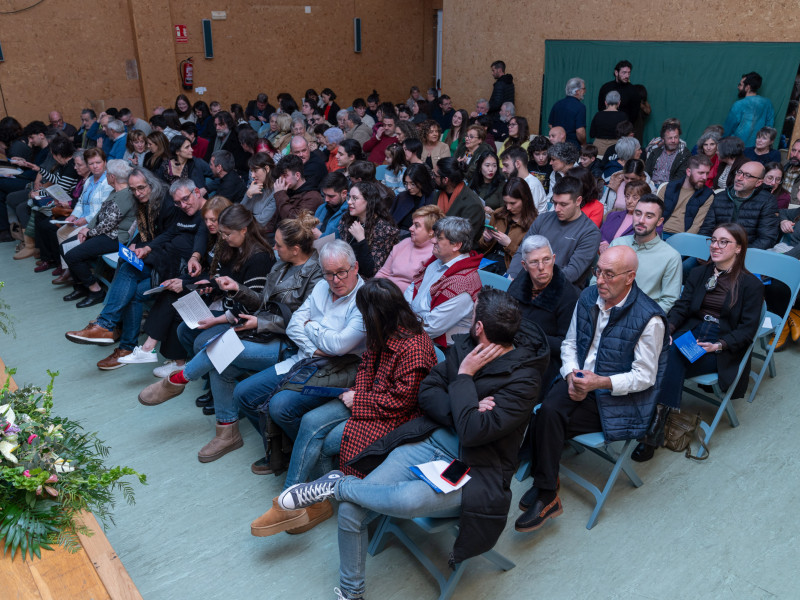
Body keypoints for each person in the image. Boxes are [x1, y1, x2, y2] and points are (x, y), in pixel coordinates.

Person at [277, 288, 547, 600]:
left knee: (405, 501)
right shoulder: (468, 346)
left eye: (472, 316)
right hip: (427, 440)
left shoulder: (524, 379)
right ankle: (352, 593)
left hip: (472, 466)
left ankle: (337, 486)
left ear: (479, 327)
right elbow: (428, 391)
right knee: (351, 511)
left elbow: (473, 434)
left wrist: (462, 378)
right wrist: (466, 409)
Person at [250, 277, 438, 536]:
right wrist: (358, 392)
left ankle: (307, 502)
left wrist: (359, 400)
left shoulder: (415, 347)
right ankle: (295, 499)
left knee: (327, 444)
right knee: (309, 422)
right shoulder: (382, 329)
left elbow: (403, 402)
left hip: (395, 416)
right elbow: (365, 367)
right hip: (369, 399)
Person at [516, 245, 667, 531]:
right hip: (583, 379)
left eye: (609, 274)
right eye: (598, 271)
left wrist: (600, 382)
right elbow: (571, 344)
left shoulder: (650, 319)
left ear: (630, 277)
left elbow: (645, 377)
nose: (599, 280)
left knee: (549, 419)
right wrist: (572, 375)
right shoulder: (588, 296)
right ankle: (548, 488)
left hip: (618, 396)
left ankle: (546, 490)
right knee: (546, 410)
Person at [631, 224, 763, 462]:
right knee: (660, 351)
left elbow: (747, 331)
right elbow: (682, 307)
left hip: (720, 344)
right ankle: (653, 426)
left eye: (724, 242)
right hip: (692, 331)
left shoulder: (750, 285)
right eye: (713, 240)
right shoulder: (699, 273)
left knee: (668, 357)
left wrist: (719, 345)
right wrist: (667, 329)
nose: (715, 245)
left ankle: (651, 429)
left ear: (739, 249)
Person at [62, 160, 136, 307]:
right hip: (105, 234)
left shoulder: (125, 195)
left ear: (112, 177)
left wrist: (89, 233)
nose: (105, 176)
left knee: (72, 255)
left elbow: (108, 224)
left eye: (107, 174)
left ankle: (96, 291)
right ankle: (80, 286)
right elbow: (99, 214)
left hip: (116, 238)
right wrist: (87, 228)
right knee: (65, 247)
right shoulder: (115, 191)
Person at [508, 235, 579, 387]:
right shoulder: (522, 280)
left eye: (546, 259)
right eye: (534, 262)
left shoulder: (568, 295)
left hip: (543, 360)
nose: (541, 267)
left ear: (554, 259)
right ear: (524, 265)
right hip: (510, 348)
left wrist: (527, 334)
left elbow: (565, 345)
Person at [508, 176, 601, 287]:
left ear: (578, 201)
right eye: (555, 202)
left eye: (563, 204)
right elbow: (522, 252)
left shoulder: (590, 232)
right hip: (529, 281)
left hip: (562, 288)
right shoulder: (543, 219)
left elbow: (572, 273)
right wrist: (511, 276)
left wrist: (534, 282)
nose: (556, 208)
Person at [405, 216, 482, 347]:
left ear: (456, 245)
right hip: (413, 326)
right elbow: (411, 291)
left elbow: (431, 328)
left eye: (439, 238)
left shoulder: (463, 284)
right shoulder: (436, 261)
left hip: (438, 346)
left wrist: (400, 324)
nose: (433, 241)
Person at [608, 195, 682, 313]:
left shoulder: (671, 257)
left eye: (649, 216)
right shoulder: (618, 243)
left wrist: (643, 318)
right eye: (637, 214)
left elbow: (669, 301)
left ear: (659, 221)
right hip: (608, 309)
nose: (641, 220)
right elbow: (597, 280)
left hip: (643, 318)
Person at [699, 161, 779, 249]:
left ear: (758, 183)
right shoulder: (720, 197)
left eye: (747, 175)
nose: (739, 178)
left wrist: (738, 254)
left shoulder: (767, 201)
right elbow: (706, 229)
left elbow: (767, 239)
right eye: (739, 172)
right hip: (714, 249)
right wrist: (705, 250)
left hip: (746, 255)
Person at [338, 182, 399, 278]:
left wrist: (361, 240)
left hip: (368, 282)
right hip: (346, 273)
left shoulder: (385, 230)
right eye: (349, 197)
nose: (349, 202)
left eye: (355, 198)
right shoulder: (347, 219)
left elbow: (372, 272)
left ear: (369, 201)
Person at [376, 204, 442, 290]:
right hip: (383, 292)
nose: (410, 228)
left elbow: (422, 290)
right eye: (412, 224)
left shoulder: (435, 254)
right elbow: (383, 273)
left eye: (417, 225)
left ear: (431, 231)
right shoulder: (404, 243)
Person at [480, 177, 538, 273]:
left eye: (513, 203)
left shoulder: (534, 223)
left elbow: (531, 259)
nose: (508, 207)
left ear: (525, 199)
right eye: (505, 202)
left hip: (510, 266)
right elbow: (483, 246)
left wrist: (509, 244)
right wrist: (487, 240)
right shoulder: (499, 214)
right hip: (488, 260)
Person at [264, 154, 323, 235]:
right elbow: (275, 219)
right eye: (280, 177)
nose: (282, 180)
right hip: (278, 235)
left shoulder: (313, 196)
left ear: (297, 175)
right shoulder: (288, 190)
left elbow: (294, 223)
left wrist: (280, 194)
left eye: (285, 176)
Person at [431, 157, 485, 244]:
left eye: (435, 175)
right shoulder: (438, 194)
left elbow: (463, 239)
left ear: (445, 180)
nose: (432, 177)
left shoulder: (472, 205)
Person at [658, 154, 715, 236]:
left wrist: (683, 239)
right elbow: (655, 214)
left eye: (707, 173)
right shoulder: (668, 188)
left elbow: (697, 226)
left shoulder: (707, 195)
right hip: (660, 233)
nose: (705, 177)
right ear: (688, 172)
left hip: (683, 237)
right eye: (701, 173)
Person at [723, 72, 775, 147]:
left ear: (747, 87)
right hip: (759, 149)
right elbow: (769, 128)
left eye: (740, 85)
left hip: (737, 149)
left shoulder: (739, 104)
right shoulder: (768, 103)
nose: (738, 87)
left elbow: (728, 129)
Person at [600, 180, 651, 251]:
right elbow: (600, 234)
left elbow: (646, 247)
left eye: (635, 198)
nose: (629, 201)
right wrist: (603, 243)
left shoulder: (650, 222)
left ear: (645, 199)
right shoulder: (613, 215)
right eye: (627, 196)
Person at [500, 146, 547, 214]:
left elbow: (529, 215)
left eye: (506, 165)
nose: (503, 170)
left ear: (517, 164)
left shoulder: (532, 185)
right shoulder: (511, 181)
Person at [645, 119, 691, 186]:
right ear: (663, 139)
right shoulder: (655, 152)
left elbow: (679, 178)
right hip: (651, 187)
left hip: (670, 188)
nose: (673, 141)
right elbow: (646, 172)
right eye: (670, 138)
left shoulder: (684, 155)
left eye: (676, 137)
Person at [390, 163, 437, 230]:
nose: (408, 187)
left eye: (413, 184)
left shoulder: (432, 198)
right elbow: (391, 220)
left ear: (422, 181)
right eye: (406, 183)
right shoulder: (402, 197)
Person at [596, 60, 640, 126]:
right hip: (607, 126)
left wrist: (626, 128)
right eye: (624, 72)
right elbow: (601, 108)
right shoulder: (606, 87)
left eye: (629, 73)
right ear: (616, 72)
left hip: (624, 129)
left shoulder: (633, 90)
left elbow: (634, 113)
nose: (627, 76)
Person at [548, 77, 587, 148]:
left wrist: (559, 136)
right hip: (572, 146)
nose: (584, 92)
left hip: (557, 145)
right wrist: (584, 144)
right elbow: (580, 131)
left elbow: (551, 125)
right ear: (577, 91)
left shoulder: (557, 104)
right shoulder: (580, 107)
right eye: (583, 89)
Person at [242, 152, 277, 226]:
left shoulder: (276, 191)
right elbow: (239, 212)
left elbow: (261, 222)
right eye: (251, 171)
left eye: (255, 171)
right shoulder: (255, 185)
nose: (252, 175)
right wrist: (248, 195)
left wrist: (244, 217)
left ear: (267, 169)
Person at [590, 90, 629, 156]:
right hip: (616, 148)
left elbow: (592, 134)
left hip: (598, 148)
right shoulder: (623, 116)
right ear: (619, 103)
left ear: (605, 103)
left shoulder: (598, 115)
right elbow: (626, 134)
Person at [314, 171, 349, 238]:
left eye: (331, 196)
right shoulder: (322, 208)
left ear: (344, 193)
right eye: (324, 195)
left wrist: (320, 236)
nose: (326, 199)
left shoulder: (349, 213)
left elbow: (343, 243)